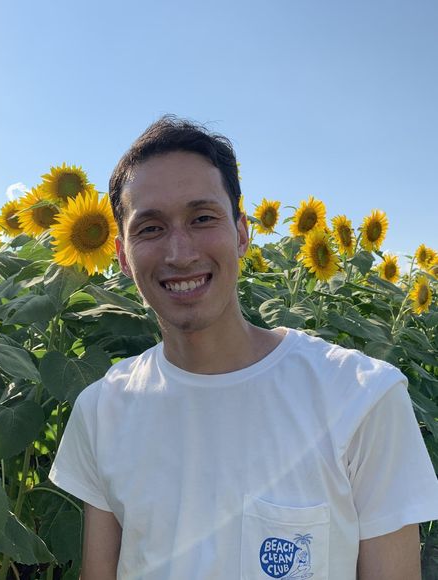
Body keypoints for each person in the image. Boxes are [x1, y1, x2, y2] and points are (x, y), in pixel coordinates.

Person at [49, 116, 438, 579]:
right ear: (122, 257)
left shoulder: (361, 398)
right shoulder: (102, 409)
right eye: (150, 228)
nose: (180, 253)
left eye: (202, 218)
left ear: (242, 233)